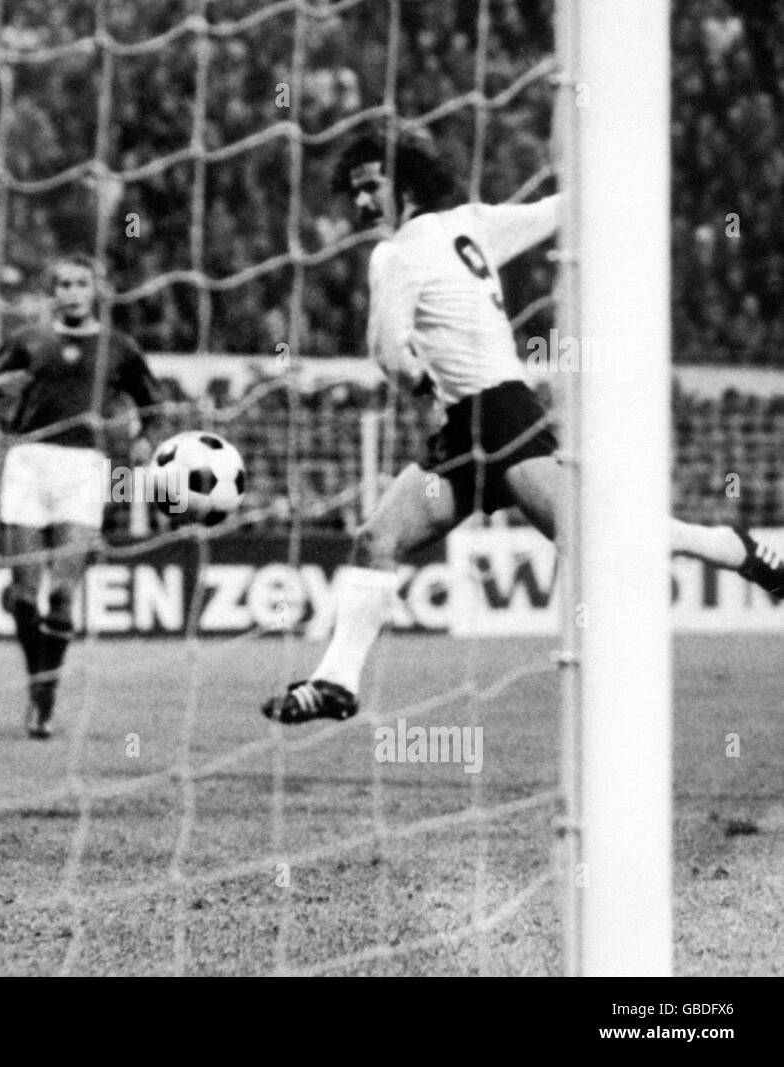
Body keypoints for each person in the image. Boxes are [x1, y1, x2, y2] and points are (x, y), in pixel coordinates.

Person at [262, 132, 784, 724]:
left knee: (594, 540)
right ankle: (336, 683)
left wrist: (418, 384)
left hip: (503, 417)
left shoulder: (396, 254)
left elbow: (386, 350)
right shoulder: (473, 223)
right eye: (354, 193)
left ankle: (731, 549)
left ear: (404, 184)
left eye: (369, 188)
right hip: (468, 428)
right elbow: (554, 212)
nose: (359, 205)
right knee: (376, 541)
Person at [0, 255, 160, 738]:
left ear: (96, 289)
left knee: (61, 593)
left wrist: (143, 436)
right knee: (23, 596)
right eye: (63, 284)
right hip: (28, 462)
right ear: (52, 292)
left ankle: (44, 695)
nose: (72, 292)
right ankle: (39, 685)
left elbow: (151, 401)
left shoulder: (119, 348)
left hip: (84, 468)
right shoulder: (28, 340)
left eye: (80, 283)